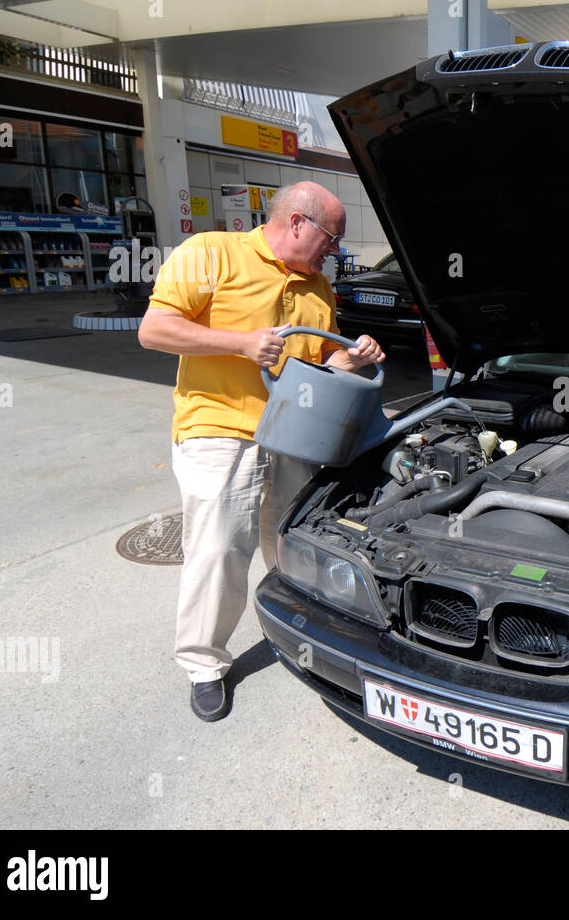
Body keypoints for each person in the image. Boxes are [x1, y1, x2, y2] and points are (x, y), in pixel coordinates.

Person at [138, 181, 385, 721]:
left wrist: (357, 357)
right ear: (297, 222)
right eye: (332, 237)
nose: (335, 250)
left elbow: (324, 368)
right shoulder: (212, 253)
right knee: (220, 550)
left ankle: (296, 629)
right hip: (220, 429)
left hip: (294, 434)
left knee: (290, 542)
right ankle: (204, 664)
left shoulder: (319, 288)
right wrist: (242, 343)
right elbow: (154, 330)